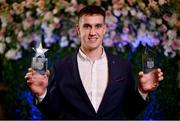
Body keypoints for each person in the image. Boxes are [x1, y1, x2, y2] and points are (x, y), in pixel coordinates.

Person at [25, 5, 163, 120]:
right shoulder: (61, 67)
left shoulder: (123, 66)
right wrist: (41, 94)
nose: (92, 32)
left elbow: (130, 111)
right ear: (78, 30)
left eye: (97, 26)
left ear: (104, 30)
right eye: (87, 26)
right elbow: (53, 113)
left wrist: (143, 91)